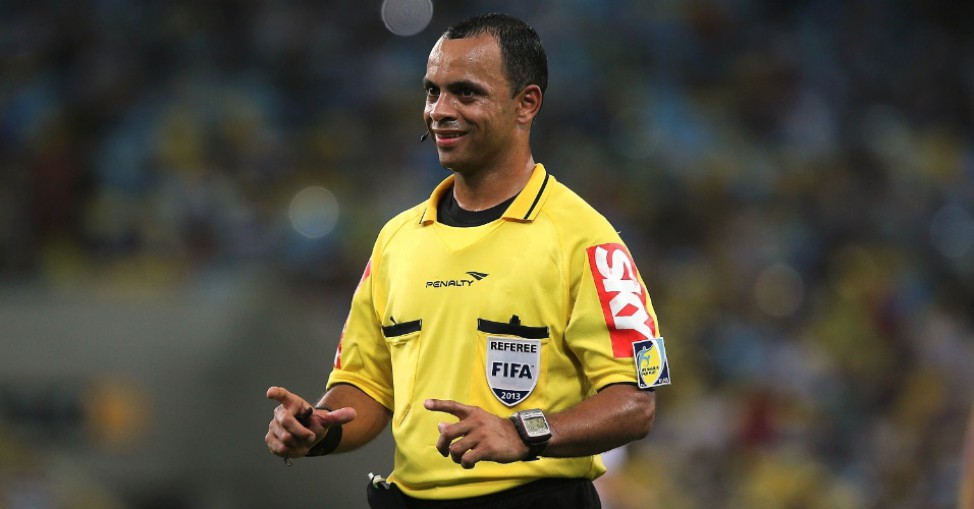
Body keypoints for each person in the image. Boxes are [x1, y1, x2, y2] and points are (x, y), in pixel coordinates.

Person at [265, 12, 670, 508]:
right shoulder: (396, 241)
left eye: (465, 93)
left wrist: (522, 432)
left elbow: (634, 404)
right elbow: (365, 385)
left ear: (526, 104)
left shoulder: (586, 241)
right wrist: (320, 427)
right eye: (432, 91)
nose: (440, 110)